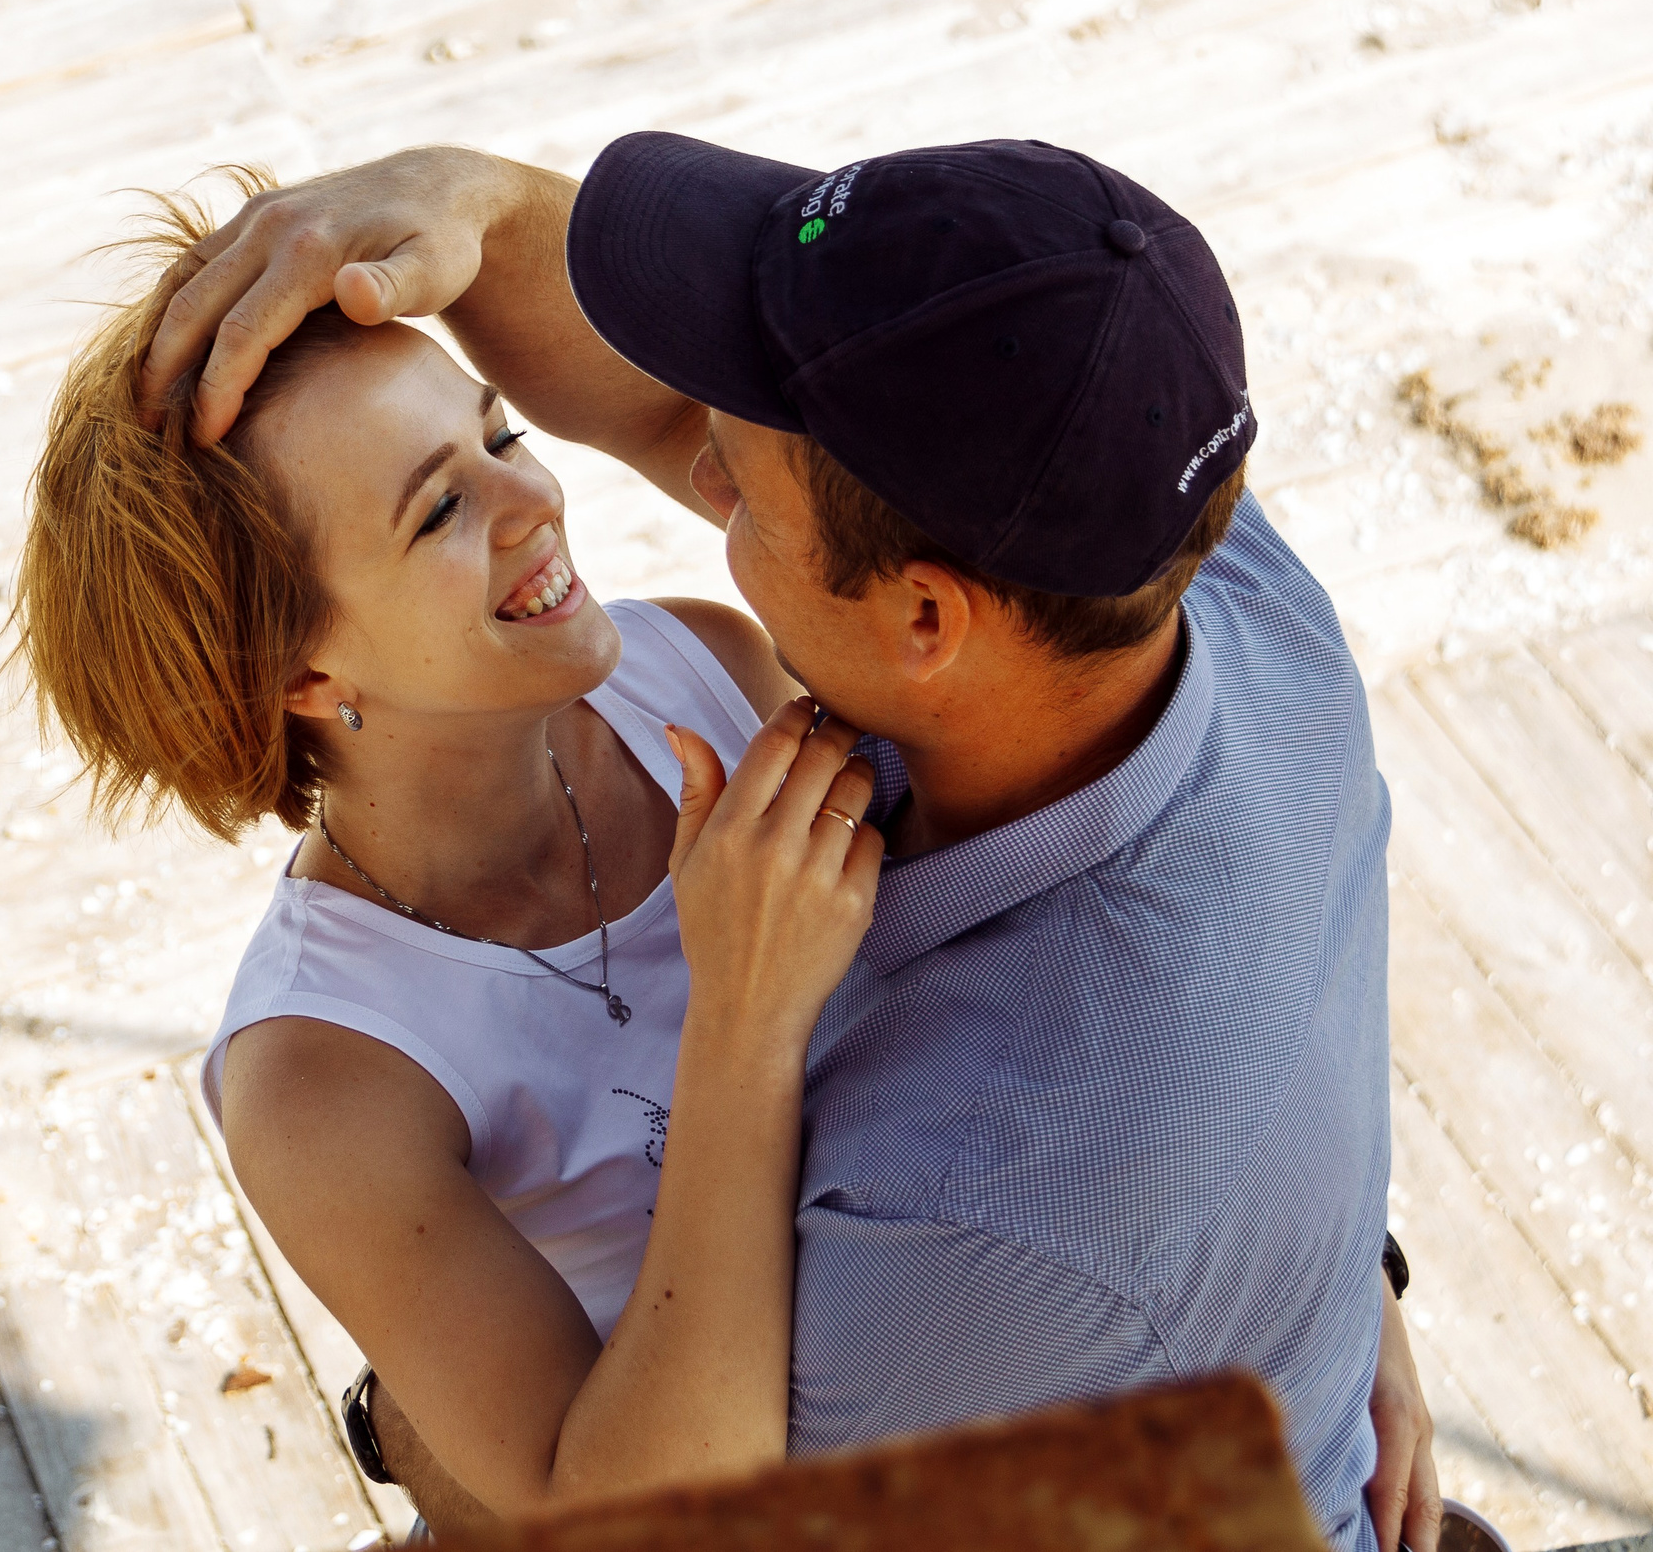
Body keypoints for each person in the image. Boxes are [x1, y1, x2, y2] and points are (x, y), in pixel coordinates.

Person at [140, 137, 1444, 1552]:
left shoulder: (966, 1224)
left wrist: (412, 1433)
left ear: (926, 623)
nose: (685, 468)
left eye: (745, 489)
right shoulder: (1214, 571)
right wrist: (485, 204)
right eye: (448, 492)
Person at [11, 179, 889, 1519]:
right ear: (299, 674)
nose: (532, 502)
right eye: (437, 513)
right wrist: (744, 1022)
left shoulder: (707, 667)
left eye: (502, 434)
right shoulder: (322, 1076)